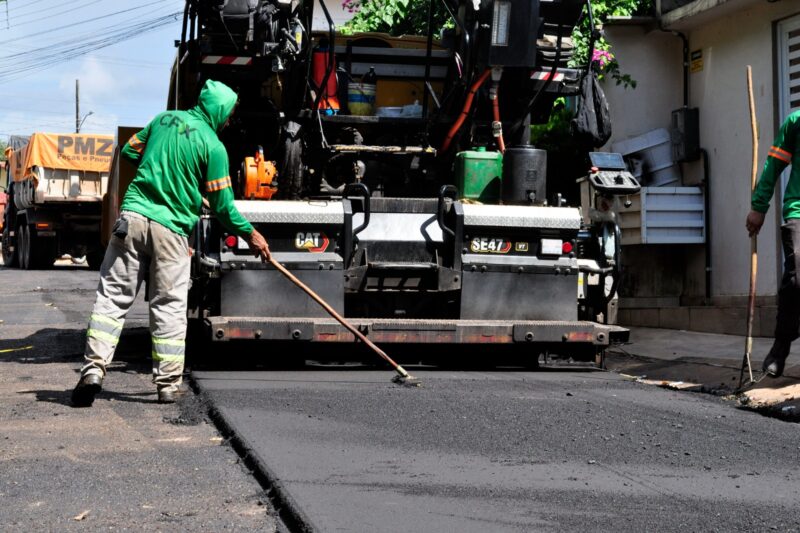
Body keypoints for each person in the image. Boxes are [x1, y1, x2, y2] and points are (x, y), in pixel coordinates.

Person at [72, 79, 270, 406]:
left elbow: (129, 149)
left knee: (112, 298)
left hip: (132, 218)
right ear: (219, 110)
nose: (230, 119)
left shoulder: (162, 120)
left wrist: (158, 174)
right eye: (230, 112)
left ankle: (93, 370)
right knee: (169, 305)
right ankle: (166, 385)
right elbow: (223, 206)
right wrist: (252, 234)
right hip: (172, 230)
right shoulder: (213, 146)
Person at [746, 109, 800, 377]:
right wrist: (759, 206)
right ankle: (782, 345)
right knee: (797, 277)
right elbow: (774, 166)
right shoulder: (795, 121)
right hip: (798, 212)